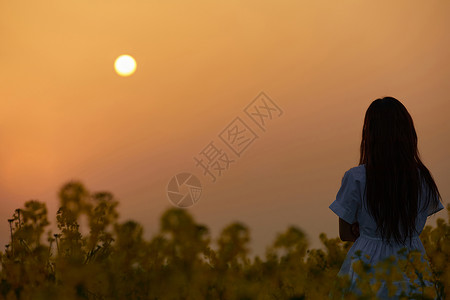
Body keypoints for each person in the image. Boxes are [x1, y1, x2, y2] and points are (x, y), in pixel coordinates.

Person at [329, 96, 444, 298]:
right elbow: (416, 224)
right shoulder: (422, 178)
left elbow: (344, 233)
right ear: (408, 134)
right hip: (411, 259)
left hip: (368, 262)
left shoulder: (356, 177)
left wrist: (365, 229)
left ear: (369, 135)